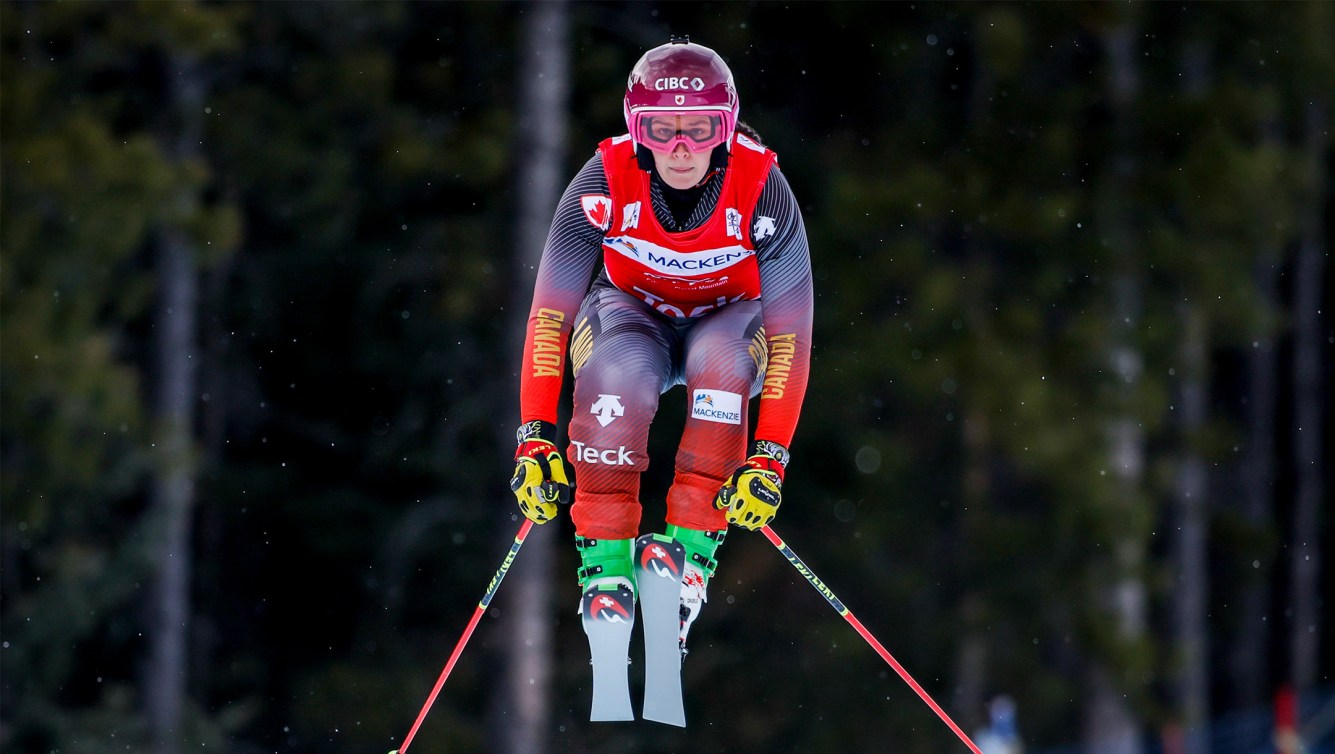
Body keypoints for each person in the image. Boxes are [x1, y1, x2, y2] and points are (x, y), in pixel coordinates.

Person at [509, 36, 813, 663]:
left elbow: (790, 339)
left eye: (700, 130)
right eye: (662, 129)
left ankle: (689, 555)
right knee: (614, 375)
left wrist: (770, 460)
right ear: (636, 129)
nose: (681, 149)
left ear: (725, 130)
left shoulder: (763, 190)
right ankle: (606, 565)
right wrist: (535, 436)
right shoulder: (601, 181)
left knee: (723, 364)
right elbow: (548, 320)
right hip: (632, 318)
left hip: (731, 322)